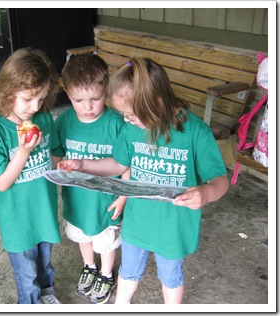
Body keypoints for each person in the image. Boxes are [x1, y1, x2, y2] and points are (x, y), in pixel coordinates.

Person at [58, 58, 229, 304]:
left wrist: (206, 192)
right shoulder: (132, 129)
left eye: (131, 114)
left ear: (156, 100)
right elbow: (118, 164)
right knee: (128, 271)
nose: (127, 120)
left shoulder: (195, 132)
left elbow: (220, 179)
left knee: (170, 276)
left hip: (173, 225)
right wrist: (82, 164)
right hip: (137, 221)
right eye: (124, 115)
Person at [0, 47, 62, 304]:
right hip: (17, 220)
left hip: (44, 210)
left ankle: (47, 294)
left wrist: (65, 166)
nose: (35, 106)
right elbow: (2, 183)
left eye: (41, 98)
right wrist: (24, 151)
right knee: (27, 274)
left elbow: (55, 154)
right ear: (8, 91)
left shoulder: (44, 117)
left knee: (46, 264)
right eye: (28, 98)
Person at [53, 54, 128, 304]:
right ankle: (89, 266)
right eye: (78, 100)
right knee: (82, 234)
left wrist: (123, 196)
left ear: (106, 89)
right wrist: (60, 166)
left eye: (95, 99)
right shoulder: (63, 121)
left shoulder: (118, 124)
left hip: (106, 199)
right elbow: (56, 154)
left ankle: (106, 273)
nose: (88, 106)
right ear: (66, 93)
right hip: (77, 198)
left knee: (106, 240)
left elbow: (126, 163)